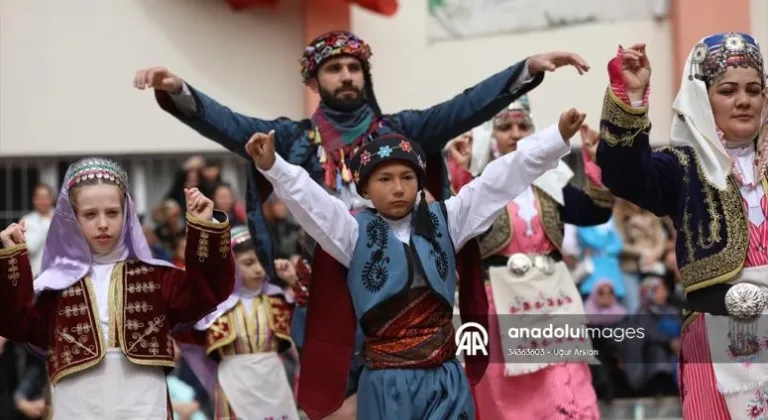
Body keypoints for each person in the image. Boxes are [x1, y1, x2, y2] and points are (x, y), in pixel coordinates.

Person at [133, 30, 590, 416]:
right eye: (334, 68)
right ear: (315, 79)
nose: (347, 75)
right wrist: (179, 92)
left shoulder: (410, 144)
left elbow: (473, 122)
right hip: (324, 289)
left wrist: (527, 72)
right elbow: (253, 146)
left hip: (425, 322)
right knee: (327, 399)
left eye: (355, 67)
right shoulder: (293, 143)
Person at [244, 101, 584, 418]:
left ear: (419, 183)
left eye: (407, 178)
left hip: (446, 379)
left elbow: (502, 179)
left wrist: (556, 137)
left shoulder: (449, 219)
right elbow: (310, 201)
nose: (397, 188)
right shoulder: (349, 232)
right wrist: (273, 166)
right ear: (364, 188)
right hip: (386, 384)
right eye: (385, 179)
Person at [596, 32, 768, 419]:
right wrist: (632, 99)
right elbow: (623, 174)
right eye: (728, 90)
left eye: (754, 89)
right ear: (703, 99)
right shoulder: (683, 167)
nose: (743, 100)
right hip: (715, 341)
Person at [0, 157, 235, 419]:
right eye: (90, 214)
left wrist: (206, 228)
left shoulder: (157, 277)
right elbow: (15, 323)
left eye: (112, 212)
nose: (103, 223)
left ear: (127, 214)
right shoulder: (52, 285)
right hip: (77, 404)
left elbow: (209, 291)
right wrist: (13, 260)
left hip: (143, 401)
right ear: (73, 219)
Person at [446, 96, 609, 419]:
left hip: (554, 299)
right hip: (499, 304)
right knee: (510, 398)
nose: (516, 134)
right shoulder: (480, 186)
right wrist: (459, 176)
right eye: (506, 127)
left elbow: (594, 212)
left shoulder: (551, 182)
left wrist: (595, 162)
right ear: (491, 138)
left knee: (567, 386)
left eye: (523, 127)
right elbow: (457, 227)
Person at [177, 225, 298, 419]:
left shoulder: (279, 299)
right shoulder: (213, 307)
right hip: (233, 385)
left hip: (273, 385)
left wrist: (293, 282)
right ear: (230, 264)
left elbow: (309, 330)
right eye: (248, 262)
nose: (258, 269)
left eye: (261, 261)